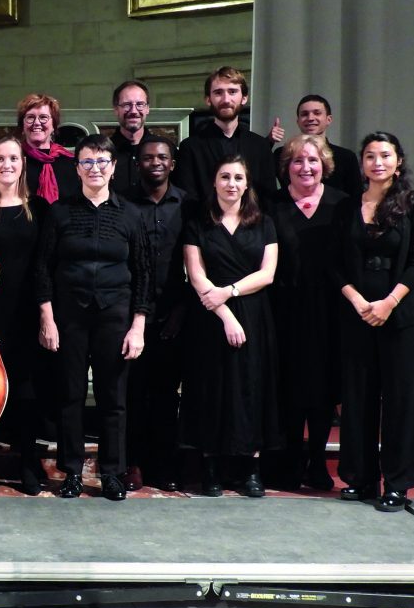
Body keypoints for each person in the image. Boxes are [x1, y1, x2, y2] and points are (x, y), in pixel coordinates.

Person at [37, 134, 152, 501]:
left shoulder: (131, 214)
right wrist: (47, 318)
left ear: (114, 168)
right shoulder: (60, 212)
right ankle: (71, 472)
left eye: (102, 162)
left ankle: (112, 473)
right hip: (69, 315)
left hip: (115, 316)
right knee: (69, 395)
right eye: (87, 162)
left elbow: (144, 273)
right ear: (77, 168)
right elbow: (43, 269)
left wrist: (138, 326)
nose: (95, 169)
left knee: (113, 398)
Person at [329, 132, 414, 513]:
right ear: (362, 164)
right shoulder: (345, 208)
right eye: (370, 156)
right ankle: (360, 477)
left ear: (398, 162)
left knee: (402, 401)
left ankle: (398, 482)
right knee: (357, 398)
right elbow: (334, 263)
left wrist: (388, 303)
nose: (378, 162)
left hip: (400, 316)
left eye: (385, 156)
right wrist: (358, 301)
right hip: (357, 316)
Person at [180, 153, 279, 498]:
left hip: (253, 313)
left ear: (247, 184)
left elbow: (268, 274)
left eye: (238, 178)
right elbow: (196, 275)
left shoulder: (263, 222)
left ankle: (251, 469)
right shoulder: (198, 223)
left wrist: (231, 292)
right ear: (214, 182)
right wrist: (225, 312)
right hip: (210, 317)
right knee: (212, 389)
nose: (231, 184)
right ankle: (211, 469)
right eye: (225, 177)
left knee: (251, 388)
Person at [0, 135, 51, 495]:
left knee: (26, 391)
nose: (7, 165)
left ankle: (27, 464)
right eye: (0, 158)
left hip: (28, 310)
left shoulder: (41, 208)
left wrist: (47, 315)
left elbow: (44, 265)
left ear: (22, 164)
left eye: (13, 159)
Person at [266, 134, 348, 492]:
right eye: (297, 161)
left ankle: (317, 460)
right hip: (283, 308)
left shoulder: (343, 205)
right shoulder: (271, 204)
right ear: (287, 166)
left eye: (313, 160)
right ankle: (289, 462)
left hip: (329, 310)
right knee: (288, 390)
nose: (305, 167)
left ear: (324, 165)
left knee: (321, 391)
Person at [121, 134, 193, 493]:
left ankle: (163, 464)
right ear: (138, 164)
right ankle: (133, 463)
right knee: (133, 392)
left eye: (162, 157)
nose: (155, 163)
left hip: (173, 312)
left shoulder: (187, 205)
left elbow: (195, 261)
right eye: (148, 158)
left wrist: (183, 307)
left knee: (166, 394)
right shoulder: (123, 203)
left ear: (172, 164)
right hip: (131, 312)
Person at [172, 67, 277, 203]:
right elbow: (188, 199)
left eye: (232, 92)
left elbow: (268, 198)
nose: (226, 99)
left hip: (253, 223)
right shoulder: (190, 147)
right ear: (208, 100)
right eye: (218, 93)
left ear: (244, 98)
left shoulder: (260, 146)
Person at [272, 95, 363, 196]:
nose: (310, 118)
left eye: (317, 113)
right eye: (304, 114)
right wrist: (269, 141)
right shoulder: (283, 154)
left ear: (329, 119)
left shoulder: (346, 157)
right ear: (298, 122)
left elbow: (356, 197)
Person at [15, 92, 81, 204]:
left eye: (43, 117)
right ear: (22, 126)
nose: (36, 123)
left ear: (54, 126)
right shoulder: (14, 160)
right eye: (30, 117)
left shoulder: (70, 162)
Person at [110, 81, 157, 191]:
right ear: (116, 109)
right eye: (127, 105)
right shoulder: (104, 152)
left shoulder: (164, 151)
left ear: (147, 108)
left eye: (140, 105)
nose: (134, 111)